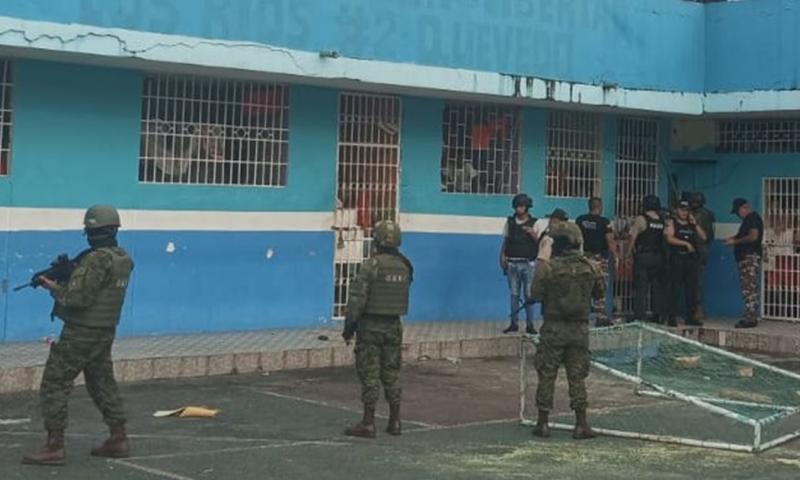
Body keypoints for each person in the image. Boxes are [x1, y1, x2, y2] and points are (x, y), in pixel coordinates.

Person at [23, 205, 134, 466]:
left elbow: (78, 298)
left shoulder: (96, 259)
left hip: (81, 331)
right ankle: (118, 438)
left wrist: (52, 287)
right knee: (101, 382)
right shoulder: (122, 258)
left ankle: (54, 446)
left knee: (55, 383)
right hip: (104, 330)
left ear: (91, 231)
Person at [529, 222, 604, 440]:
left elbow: (534, 294)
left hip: (554, 328)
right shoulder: (591, 267)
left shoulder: (549, 267)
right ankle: (581, 424)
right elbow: (600, 294)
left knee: (547, 374)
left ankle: (543, 423)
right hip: (579, 330)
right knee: (577, 376)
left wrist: (542, 258)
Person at [342, 220, 413, 438]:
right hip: (394, 325)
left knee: (370, 373)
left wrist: (349, 327)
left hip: (371, 325)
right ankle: (395, 421)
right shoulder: (405, 265)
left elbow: (357, 299)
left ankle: (368, 423)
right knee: (391, 373)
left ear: (377, 240)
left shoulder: (371, 265)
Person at [500, 194, 539, 335]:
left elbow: (540, 243)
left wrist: (533, 234)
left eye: (522, 206)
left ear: (527, 207)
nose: (519, 208)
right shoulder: (509, 222)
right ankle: (514, 323)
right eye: (517, 206)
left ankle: (530, 325)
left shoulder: (535, 223)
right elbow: (506, 241)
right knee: (514, 295)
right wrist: (502, 257)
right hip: (512, 263)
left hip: (528, 264)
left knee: (529, 295)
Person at [664, 200, 707, 326]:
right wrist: (685, 244)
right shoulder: (672, 223)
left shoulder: (691, 225)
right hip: (677, 258)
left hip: (691, 260)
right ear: (677, 210)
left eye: (686, 210)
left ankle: (690, 316)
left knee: (691, 290)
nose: (684, 213)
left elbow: (704, 237)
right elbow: (669, 238)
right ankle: (672, 317)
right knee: (675, 288)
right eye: (682, 210)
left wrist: (695, 224)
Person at [576, 198, 618, 327]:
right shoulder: (605, 222)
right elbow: (610, 240)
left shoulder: (580, 220)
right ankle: (601, 317)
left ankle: (582, 317)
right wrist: (616, 256)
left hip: (584, 258)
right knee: (600, 287)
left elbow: (577, 238)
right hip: (600, 259)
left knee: (584, 287)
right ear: (600, 207)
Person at [724, 198, 764, 329]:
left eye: (737, 212)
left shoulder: (752, 218)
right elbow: (746, 235)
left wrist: (735, 242)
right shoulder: (751, 219)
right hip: (747, 258)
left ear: (743, 208)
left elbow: (753, 236)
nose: (738, 215)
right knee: (749, 287)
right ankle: (750, 316)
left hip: (749, 258)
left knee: (749, 288)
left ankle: (750, 318)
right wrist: (734, 238)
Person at [627, 195, 667, 323]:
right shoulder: (663, 220)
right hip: (659, 257)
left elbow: (632, 238)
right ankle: (657, 315)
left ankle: (640, 315)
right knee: (657, 288)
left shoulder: (641, 219)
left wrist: (627, 255)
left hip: (644, 257)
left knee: (641, 288)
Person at [688, 192, 715, 320]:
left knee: (695, 281)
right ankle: (697, 310)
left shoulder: (695, 215)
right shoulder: (709, 214)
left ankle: (697, 310)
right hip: (705, 247)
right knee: (698, 279)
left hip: (696, 248)